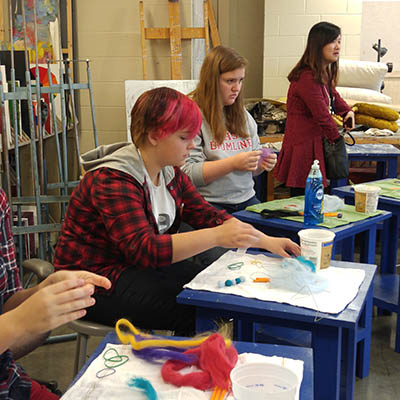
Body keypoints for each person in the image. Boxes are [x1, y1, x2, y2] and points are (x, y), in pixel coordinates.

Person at [53, 87, 300, 337]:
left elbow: (207, 214)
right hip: (91, 283)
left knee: (215, 291)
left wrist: (266, 241)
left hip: (131, 268)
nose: (192, 145)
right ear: (154, 135)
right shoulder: (113, 180)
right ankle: (196, 368)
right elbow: (144, 250)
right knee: (198, 308)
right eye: (184, 138)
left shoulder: (169, 172)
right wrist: (216, 236)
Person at [0, 188, 111, 400]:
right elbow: (146, 250)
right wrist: (18, 322)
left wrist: (45, 293)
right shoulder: (113, 179)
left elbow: (8, 307)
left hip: (11, 382)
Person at [182, 45, 277, 214]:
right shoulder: (193, 115)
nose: (237, 88)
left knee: (273, 235)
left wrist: (260, 164)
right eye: (230, 81)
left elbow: (252, 170)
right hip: (210, 202)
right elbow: (188, 174)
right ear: (211, 80)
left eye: (240, 80)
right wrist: (232, 164)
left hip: (246, 198)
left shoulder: (243, 115)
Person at [273, 21, 355, 197]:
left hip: (314, 143)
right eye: (333, 41)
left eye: (340, 41)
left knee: (313, 197)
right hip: (304, 146)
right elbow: (322, 115)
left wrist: (348, 111)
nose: (338, 47)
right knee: (305, 199)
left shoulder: (321, 73)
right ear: (319, 44)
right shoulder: (307, 76)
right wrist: (337, 141)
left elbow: (333, 94)